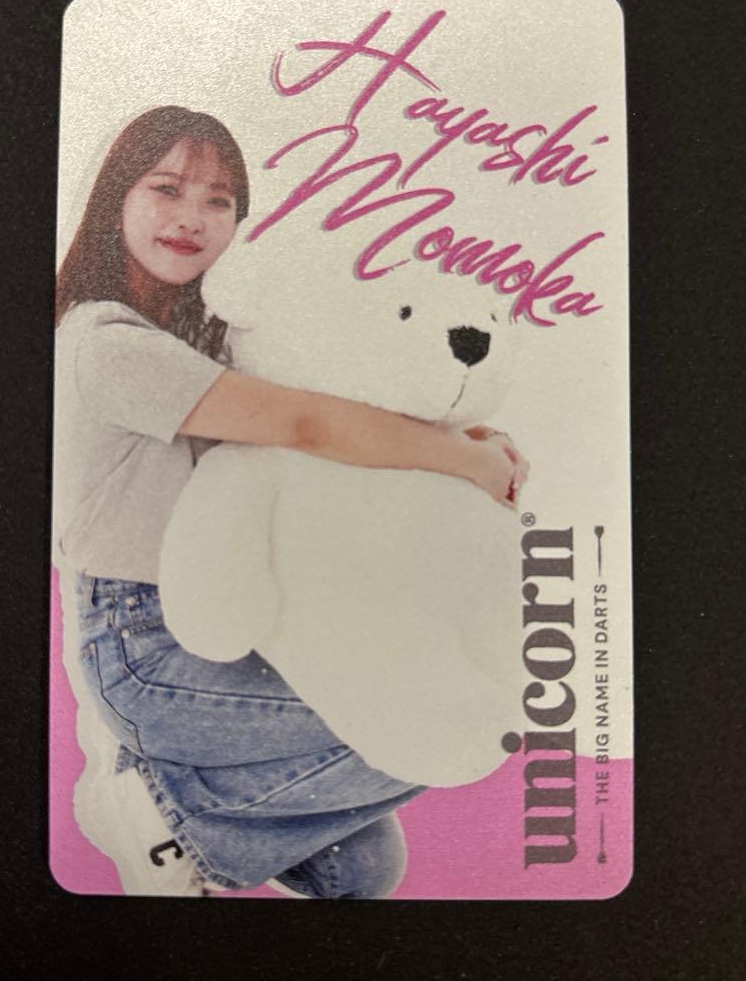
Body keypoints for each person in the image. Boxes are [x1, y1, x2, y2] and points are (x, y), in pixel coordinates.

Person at [53, 105, 527, 898]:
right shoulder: (105, 342)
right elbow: (308, 424)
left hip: (247, 625)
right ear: (115, 199)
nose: (191, 217)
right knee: (453, 727)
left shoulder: (201, 340)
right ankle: (155, 806)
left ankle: (177, 800)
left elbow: (341, 392)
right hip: (141, 641)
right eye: (166, 188)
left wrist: (476, 435)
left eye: (219, 200)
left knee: (364, 867)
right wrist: (465, 462)